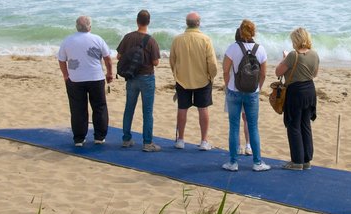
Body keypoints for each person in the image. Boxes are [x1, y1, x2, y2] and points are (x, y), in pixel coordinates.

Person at [220, 20, 270, 172]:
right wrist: (258, 88)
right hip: (252, 93)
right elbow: (263, 74)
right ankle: (257, 162)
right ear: (254, 32)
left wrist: (228, 86)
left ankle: (233, 162)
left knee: (234, 126)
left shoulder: (232, 48)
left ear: (240, 32)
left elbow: (225, 70)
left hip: (234, 91)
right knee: (253, 126)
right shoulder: (260, 49)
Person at [57, 15, 113, 147]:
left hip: (75, 79)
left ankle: (79, 138)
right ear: (90, 27)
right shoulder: (97, 39)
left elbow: (61, 59)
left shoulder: (68, 40)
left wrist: (66, 75)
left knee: (78, 109)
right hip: (95, 78)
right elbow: (107, 58)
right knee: (99, 107)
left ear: (77, 27)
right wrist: (110, 73)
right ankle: (99, 136)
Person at [170, 11, 219, 150]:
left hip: (182, 79)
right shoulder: (205, 39)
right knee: (203, 109)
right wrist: (211, 76)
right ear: (198, 23)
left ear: (187, 23)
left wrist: (176, 74)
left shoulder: (177, 39)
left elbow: (172, 60)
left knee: (182, 108)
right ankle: (204, 140)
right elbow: (213, 63)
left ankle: (180, 140)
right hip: (202, 79)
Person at [115, 10, 162, 152]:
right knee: (147, 111)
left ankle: (126, 139)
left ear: (137, 21)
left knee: (129, 108)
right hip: (147, 78)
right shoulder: (151, 40)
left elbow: (118, 56)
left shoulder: (128, 37)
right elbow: (156, 62)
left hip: (131, 77)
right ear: (148, 22)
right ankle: (147, 143)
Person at [275, 27, 320, 171]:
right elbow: (314, 74)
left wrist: (284, 59)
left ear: (296, 40)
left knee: (293, 126)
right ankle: (306, 160)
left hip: (296, 92)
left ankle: (297, 161)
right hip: (309, 91)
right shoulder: (314, 54)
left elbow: (278, 71)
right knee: (305, 125)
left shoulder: (292, 56)